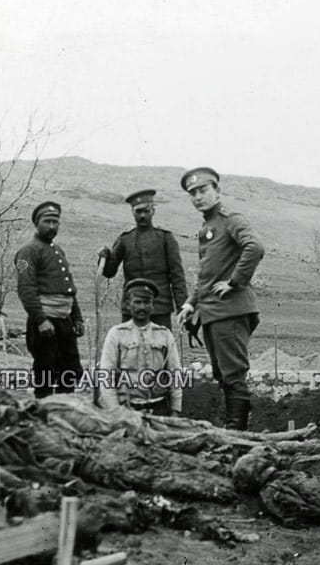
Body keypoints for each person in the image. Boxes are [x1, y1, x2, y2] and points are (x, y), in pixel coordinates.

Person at [175, 167, 265, 430]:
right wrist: (191, 303)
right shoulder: (207, 228)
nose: (198, 197)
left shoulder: (230, 220)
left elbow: (256, 247)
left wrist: (236, 282)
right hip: (214, 313)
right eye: (193, 193)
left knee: (233, 375)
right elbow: (208, 274)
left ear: (217, 191)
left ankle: (238, 434)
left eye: (203, 190)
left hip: (231, 312)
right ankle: (233, 429)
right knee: (223, 375)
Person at [14, 201, 85, 397]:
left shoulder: (58, 251)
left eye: (56, 221)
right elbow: (26, 289)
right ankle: (44, 415)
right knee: (45, 373)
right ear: (37, 223)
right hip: (45, 324)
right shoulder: (27, 252)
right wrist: (41, 320)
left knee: (68, 371)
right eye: (47, 221)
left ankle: (64, 414)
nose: (52, 226)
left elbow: (68, 289)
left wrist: (77, 318)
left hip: (65, 321)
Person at [97, 189, 188, 328]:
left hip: (159, 308)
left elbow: (177, 276)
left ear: (153, 211)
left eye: (146, 211)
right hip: (131, 308)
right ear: (132, 213)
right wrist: (104, 256)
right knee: (129, 347)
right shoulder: (124, 240)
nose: (143, 215)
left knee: (161, 346)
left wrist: (182, 307)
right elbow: (109, 272)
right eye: (138, 212)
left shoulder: (166, 238)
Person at [98, 279, 183, 416]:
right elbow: (106, 377)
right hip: (127, 410)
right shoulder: (116, 334)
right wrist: (115, 412)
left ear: (152, 305)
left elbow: (175, 376)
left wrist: (175, 411)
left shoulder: (164, 335)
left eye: (147, 302)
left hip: (159, 409)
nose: (142, 307)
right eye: (137, 302)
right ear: (128, 305)